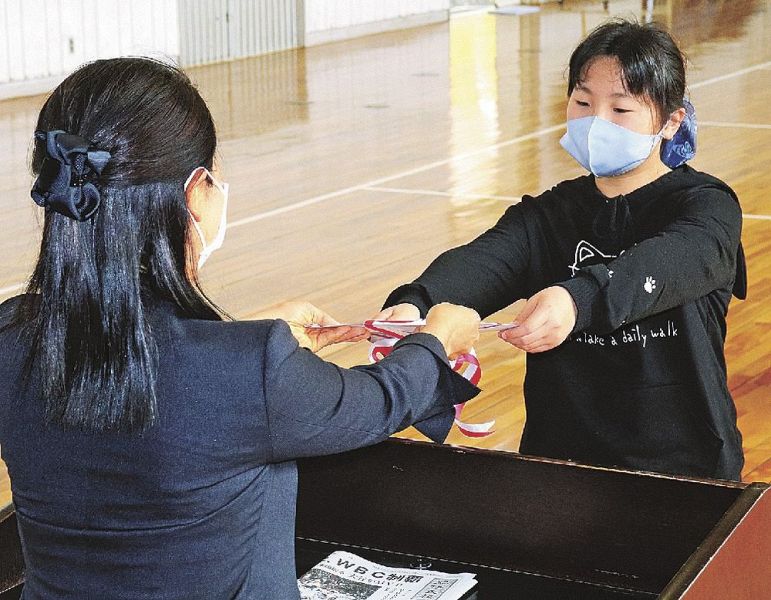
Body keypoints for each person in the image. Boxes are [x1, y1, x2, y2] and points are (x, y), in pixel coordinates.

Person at [0, 57, 482, 599]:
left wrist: (249, 341)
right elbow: (383, 399)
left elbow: (149, 378)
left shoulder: (9, 339)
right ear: (196, 189)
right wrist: (436, 341)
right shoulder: (251, 368)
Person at [378, 19, 746, 481]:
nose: (597, 122)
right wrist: (418, 303)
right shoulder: (551, 213)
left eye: (621, 109)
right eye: (584, 103)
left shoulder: (708, 207)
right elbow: (485, 260)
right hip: (560, 461)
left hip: (681, 466)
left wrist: (577, 298)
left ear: (671, 121)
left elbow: (671, 261)